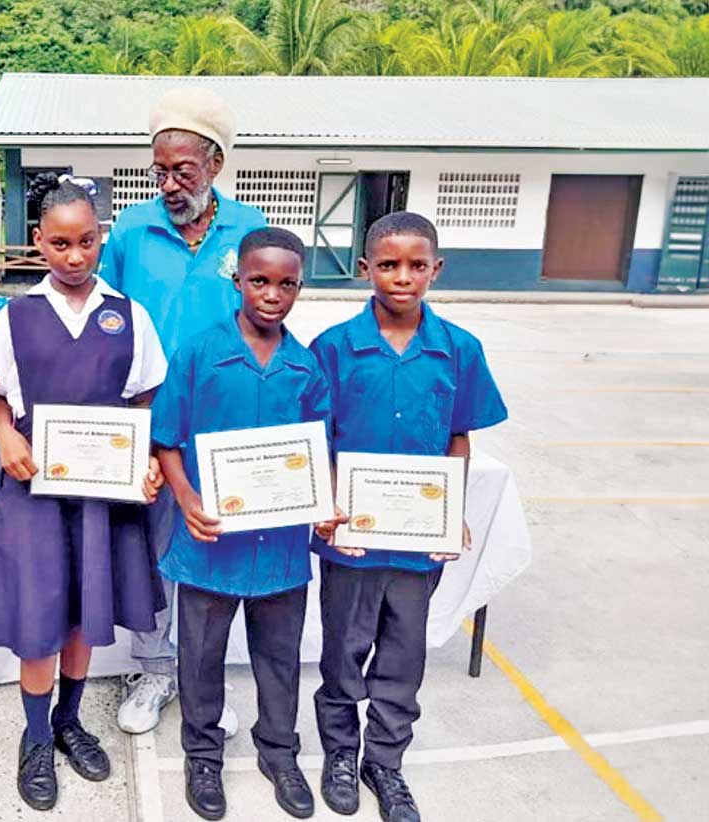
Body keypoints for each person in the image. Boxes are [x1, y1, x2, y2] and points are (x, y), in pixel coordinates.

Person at [0, 174, 168, 811]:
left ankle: (69, 719)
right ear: (38, 243)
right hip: (35, 489)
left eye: (86, 242)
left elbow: (145, 397)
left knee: (85, 610)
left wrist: (144, 459)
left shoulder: (128, 316)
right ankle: (33, 736)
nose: (75, 256)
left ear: (100, 239)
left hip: (102, 494)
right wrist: (4, 435)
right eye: (60, 244)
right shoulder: (15, 315)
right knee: (39, 617)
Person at [311, 212, 508, 822]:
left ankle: (385, 762)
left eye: (416, 266)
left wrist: (450, 510)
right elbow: (316, 441)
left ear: (435, 270)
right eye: (388, 265)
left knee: (403, 656)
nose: (402, 278)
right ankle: (340, 754)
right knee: (344, 652)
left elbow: (458, 438)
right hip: (352, 540)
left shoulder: (458, 350)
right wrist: (325, 503)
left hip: (419, 545)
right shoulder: (335, 349)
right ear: (366, 269)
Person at [151, 228, 341, 821]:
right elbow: (165, 442)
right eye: (259, 281)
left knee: (280, 659)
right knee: (200, 658)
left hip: (281, 550)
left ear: (300, 288)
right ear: (237, 281)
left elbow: (319, 453)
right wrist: (184, 500)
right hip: (211, 541)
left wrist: (326, 504)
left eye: (287, 284)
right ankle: (202, 754)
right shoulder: (200, 353)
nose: (272, 295)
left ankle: (279, 751)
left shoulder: (305, 367)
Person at [100, 87, 266, 735]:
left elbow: (268, 324)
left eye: (184, 170)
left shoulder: (250, 230)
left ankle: (201, 673)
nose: (169, 183)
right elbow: (104, 321)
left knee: (209, 545)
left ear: (215, 164)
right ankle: (154, 667)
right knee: (149, 544)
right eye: (159, 170)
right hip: (146, 421)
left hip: (223, 423)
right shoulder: (131, 229)